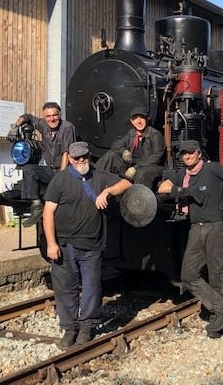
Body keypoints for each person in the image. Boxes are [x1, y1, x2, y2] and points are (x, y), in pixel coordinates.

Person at [43, 141, 132, 347]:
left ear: (89, 155)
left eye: (84, 156)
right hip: (64, 244)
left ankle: (87, 327)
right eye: (77, 158)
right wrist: (51, 243)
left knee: (92, 287)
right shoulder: (60, 180)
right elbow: (48, 212)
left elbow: (126, 183)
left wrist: (107, 192)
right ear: (71, 159)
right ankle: (69, 328)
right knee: (65, 288)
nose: (81, 160)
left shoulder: (99, 175)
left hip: (92, 243)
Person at [157, 139, 223, 339]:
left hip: (215, 227)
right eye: (183, 154)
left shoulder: (212, 169)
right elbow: (163, 187)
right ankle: (222, 311)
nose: (186, 156)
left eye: (189, 153)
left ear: (198, 153)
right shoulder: (184, 175)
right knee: (188, 275)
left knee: (216, 275)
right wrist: (182, 190)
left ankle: (218, 323)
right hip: (196, 228)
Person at [7, 102, 76, 225]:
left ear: (59, 114)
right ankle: (36, 205)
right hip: (50, 169)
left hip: (66, 171)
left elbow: (66, 153)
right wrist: (15, 126)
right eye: (48, 116)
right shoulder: (43, 124)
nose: (52, 119)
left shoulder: (67, 128)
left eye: (55, 115)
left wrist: (62, 176)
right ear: (44, 117)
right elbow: (27, 116)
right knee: (29, 169)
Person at [96, 107, 165, 189]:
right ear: (132, 121)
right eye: (135, 118)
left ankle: (138, 198)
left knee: (141, 173)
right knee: (111, 156)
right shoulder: (131, 133)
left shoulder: (155, 135)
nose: (139, 121)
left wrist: (135, 168)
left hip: (151, 167)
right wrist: (124, 151)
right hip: (133, 165)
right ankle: (94, 183)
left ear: (147, 119)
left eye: (142, 118)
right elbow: (115, 145)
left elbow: (156, 158)